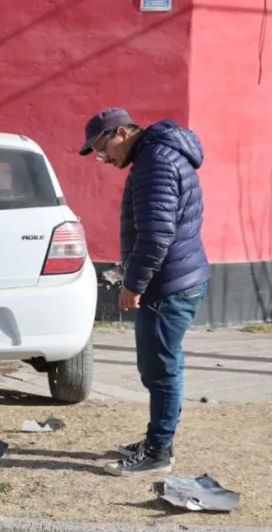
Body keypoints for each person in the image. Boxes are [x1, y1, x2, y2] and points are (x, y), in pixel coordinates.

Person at [78, 107, 210, 476]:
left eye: (103, 149)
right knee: (164, 364)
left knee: (159, 369)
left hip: (168, 283)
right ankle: (159, 439)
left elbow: (156, 235)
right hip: (178, 276)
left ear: (121, 132)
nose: (104, 159)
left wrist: (133, 285)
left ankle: (158, 451)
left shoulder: (155, 162)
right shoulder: (160, 155)